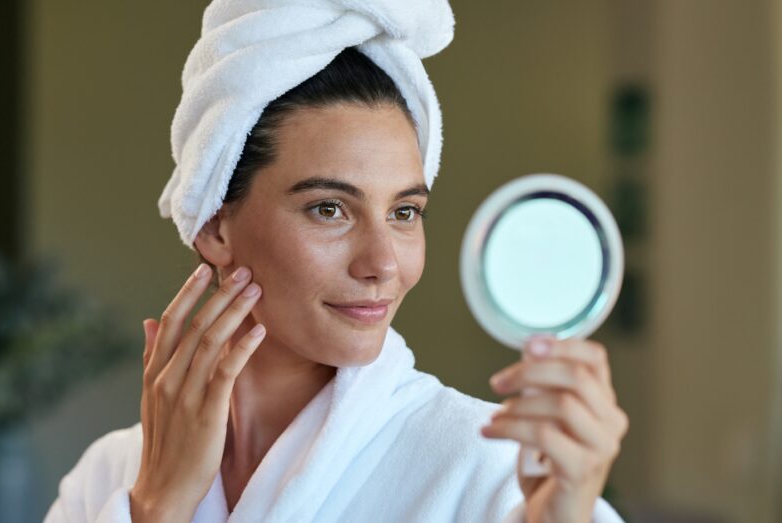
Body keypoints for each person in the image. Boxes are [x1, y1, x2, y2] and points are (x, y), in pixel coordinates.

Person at [45, 2, 628, 522]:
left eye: (404, 212)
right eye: (329, 209)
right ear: (216, 226)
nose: (383, 264)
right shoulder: (110, 477)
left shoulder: (491, 473)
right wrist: (158, 507)